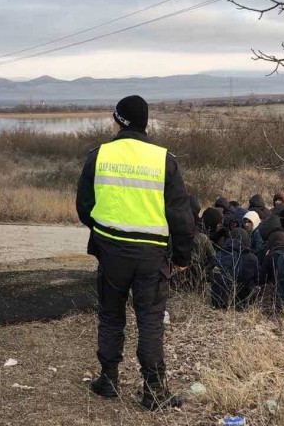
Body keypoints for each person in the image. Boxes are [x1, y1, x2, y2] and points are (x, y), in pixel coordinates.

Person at [76, 95, 194, 410]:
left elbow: (84, 208)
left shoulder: (98, 156)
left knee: (111, 315)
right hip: (151, 256)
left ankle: (108, 380)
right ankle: (153, 391)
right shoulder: (164, 160)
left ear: (119, 121)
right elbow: (182, 217)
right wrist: (182, 257)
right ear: (145, 124)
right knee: (150, 321)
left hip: (111, 252)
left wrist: (105, 232)